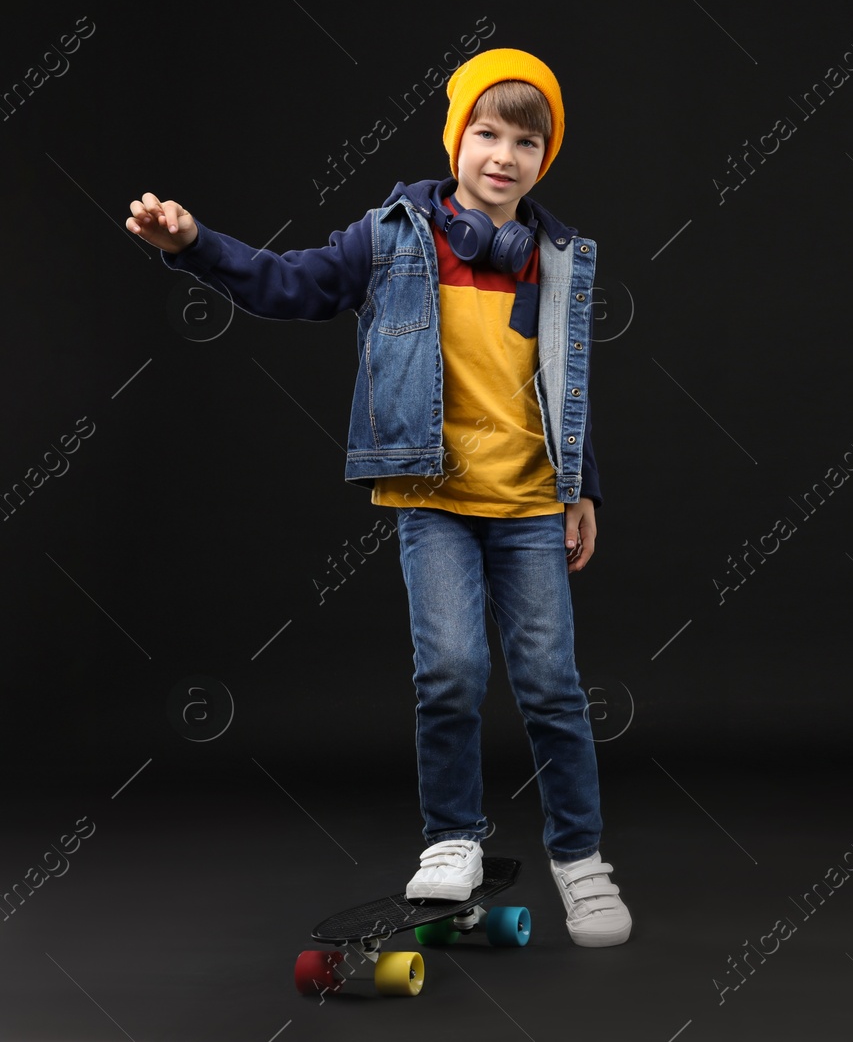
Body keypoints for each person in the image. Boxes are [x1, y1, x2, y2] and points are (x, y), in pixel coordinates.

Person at [127, 47, 630, 947]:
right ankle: (452, 839)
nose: (504, 156)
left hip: (526, 504)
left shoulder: (555, 260)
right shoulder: (392, 235)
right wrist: (194, 247)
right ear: (456, 137)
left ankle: (581, 859)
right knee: (450, 672)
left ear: (543, 159)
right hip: (431, 496)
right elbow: (290, 285)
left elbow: (570, 381)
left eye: (526, 141)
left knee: (553, 686)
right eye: (487, 131)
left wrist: (581, 487)